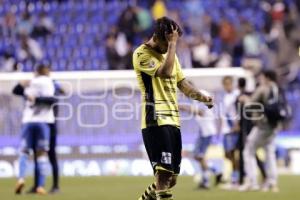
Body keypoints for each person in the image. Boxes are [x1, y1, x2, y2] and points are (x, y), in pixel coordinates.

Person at [133, 17, 213, 200]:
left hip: (173, 120)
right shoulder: (141, 54)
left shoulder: (171, 55)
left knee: (172, 179)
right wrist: (172, 45)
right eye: (168, 41)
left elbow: (182, 83)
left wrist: (202, 98)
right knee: (163, 175)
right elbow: (165, 73)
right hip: (155, 119)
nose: (170, 46)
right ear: (160, 37)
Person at [13, 67, 64, 194]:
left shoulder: (32, 84)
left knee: (26, 151)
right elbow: (56, 97)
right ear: (47, 72)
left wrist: (23, 85)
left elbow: (17, 90)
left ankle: (22, 178)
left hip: (30, 121)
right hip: (45, 122)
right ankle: (40, 185)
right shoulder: (49, 83)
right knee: (44, 154)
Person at [239, 70, 280, 192]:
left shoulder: (263, 88)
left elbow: (250, 105)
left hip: (262, 125)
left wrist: (245, 100)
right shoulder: (277, 89)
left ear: (266, 77)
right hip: (274, 125)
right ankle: (272, 182)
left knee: (248, 150)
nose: (260, 79)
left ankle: (252, 182)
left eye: (262, 77)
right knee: (270, 153)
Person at [179, 100, 219, 189]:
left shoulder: (201, 95)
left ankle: (206, 181)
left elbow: (201, 112)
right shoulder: (195, 99)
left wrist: (184, 108)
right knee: (197, 155)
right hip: (203, 131)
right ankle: (215, 171)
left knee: (200, 156)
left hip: (207, 131)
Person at [236, 78, 266, 185]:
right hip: (252, 127)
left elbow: (246, 112)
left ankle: (249, 180)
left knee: (248, 152)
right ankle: (253, 178)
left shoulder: (242, 97)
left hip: (248, 128)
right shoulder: (250, 95)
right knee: (249, 153)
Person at [219, 76, 240, 189]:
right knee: (227, 154)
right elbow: (222, 114)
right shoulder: (224, 97)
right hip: (226, 129)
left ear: (232, 83)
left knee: (232, 153)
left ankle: (236, 178)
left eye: (229, 84)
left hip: (233, 129)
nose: (227, 86)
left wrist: (237, 124)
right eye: (225, 84)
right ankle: (238, 175)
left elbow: (239, 110)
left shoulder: (236, 95)